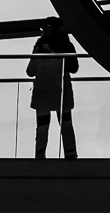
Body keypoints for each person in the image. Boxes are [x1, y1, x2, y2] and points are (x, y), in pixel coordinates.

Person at [27, 16, 78, 159]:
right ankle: (71, 155)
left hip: (43, 86)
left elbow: (30, 71)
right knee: (66, 123)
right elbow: (73, 67)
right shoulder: (67, 44)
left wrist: (43, 55)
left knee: (42, 125)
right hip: (62, 87)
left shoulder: (40, 45)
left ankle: (40, 156)